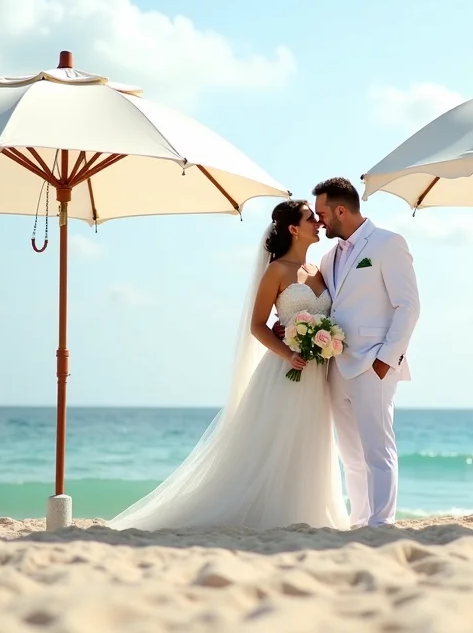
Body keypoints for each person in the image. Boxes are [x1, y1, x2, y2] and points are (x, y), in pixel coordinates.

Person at [104, 200, 348, 530]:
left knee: (310, 441)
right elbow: (257, 325)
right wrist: (288, 353)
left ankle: (307, 512)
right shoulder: (276, 271)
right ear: (293, 229)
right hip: (286, 369)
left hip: (318, 372)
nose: (318, 222)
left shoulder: (319, 270)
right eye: (310, 218)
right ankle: (272, 512)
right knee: (277, 442)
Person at [278, 177, 421, 527]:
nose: (319, 220)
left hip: (374, 365)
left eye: (323, 214)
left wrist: (386, 360)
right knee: (352, 456)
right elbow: (325, 306)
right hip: (335, 365)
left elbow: (408, 306)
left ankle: (381, 522)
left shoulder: (388, 243)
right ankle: (360, 520)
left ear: (341, 210)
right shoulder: (329, 257)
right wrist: (290, 326)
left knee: (378, 449)